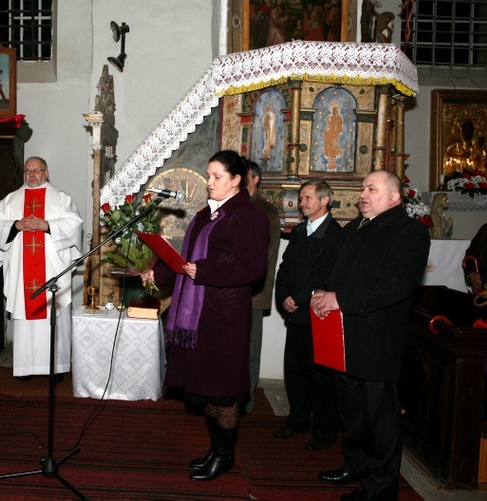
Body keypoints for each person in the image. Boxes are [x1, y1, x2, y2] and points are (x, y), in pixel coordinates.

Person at [145, 150, 269, 481]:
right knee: (204, 388)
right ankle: (215, 448)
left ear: (236, 180)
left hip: (224, 317)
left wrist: (206, 271)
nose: (209, 182)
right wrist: (159, 275)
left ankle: (225, 455)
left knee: (224, 391)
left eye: (216, 177)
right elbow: (184, 260)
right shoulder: (204, 215)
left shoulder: (249, 215)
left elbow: (252, 268)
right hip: (197, 316)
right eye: (209, 175)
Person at [310, 170, 430, 500]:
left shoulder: (409, 233)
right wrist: (325, 292)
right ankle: (356, 464)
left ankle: (381, 485)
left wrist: (340, 299)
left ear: (394, 197)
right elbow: (341, 271)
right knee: (350, 407)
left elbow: (394, 285)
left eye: (371, 189)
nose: (363, 193)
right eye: (363, 188)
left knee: (380, 416)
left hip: (379, 337)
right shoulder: (356, 227)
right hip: (346, 334)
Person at [0, 156, 83, 381]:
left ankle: (55, 367)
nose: (32, 175)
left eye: (36, 171)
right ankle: (25, 367)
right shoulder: (12, 200)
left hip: (51, 268)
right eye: (28, 171)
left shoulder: (60, 198)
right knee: (24, 312)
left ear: (46, 173)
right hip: (22, 270)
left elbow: (74, 224)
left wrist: (47, 225)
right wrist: (16, 225)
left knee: (53, 313)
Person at [273, 179, 341, 451]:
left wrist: (299, 297)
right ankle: (298, 420)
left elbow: (326, 274)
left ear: (325, 201)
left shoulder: (335, 235)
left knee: (321, 377)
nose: (302, 202)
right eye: (301, 198)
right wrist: (283, 297)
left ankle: (324, 432)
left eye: (308, 198)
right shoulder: (300, 231)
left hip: (319, 315)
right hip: (297, 316)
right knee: (296, 371)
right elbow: (285, 268)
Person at [244, 160, 281, 413]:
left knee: (250, 349)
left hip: (252, 291)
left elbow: (266, 254)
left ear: (255, 179)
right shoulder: (231, 206)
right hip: (229, 291)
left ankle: (246, 400)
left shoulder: (266, 211)